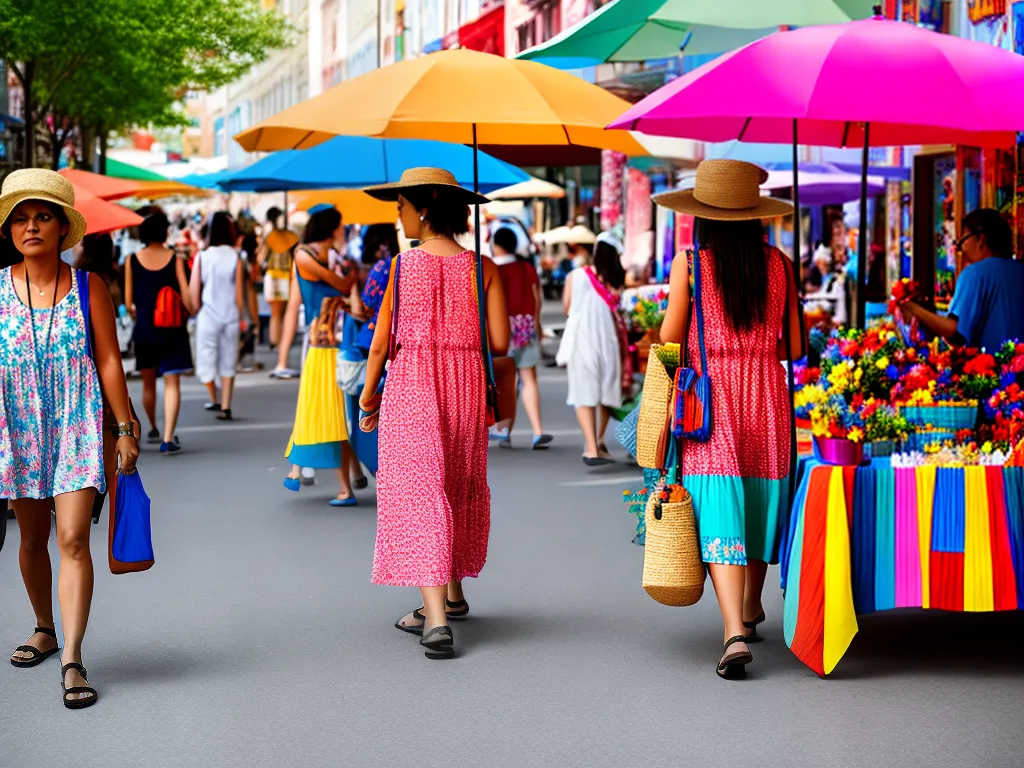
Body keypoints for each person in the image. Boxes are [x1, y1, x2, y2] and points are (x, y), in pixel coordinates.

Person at [655, 159, 804, 681]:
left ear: (703, 216)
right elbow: (798, 345)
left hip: (709, 399)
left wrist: (684, 364)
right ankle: (751, 605)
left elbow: (669, 341)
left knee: (721, 503)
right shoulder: (781, 265)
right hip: (765, 394)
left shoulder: (690, 264)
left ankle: (733, 632)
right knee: (759, 499)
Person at [0, 169, 139, 709]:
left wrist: (124, 428)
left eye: (42, 216)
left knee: (73, 538)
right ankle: (44, 625)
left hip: (79, 423)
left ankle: (72, 658)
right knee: (31, 540)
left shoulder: (88, 287)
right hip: (17, 425)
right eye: (21, 218)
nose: (31, 226)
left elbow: (108, 358)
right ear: (11, 230)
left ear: (62, 227)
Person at [359, 168, 510, 659]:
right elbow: (502, 342)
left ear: (422, 208)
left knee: (420, 490)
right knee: (456, 481)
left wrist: (367, 397)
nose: (399, 217)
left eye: (401, 207)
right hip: (465, 385)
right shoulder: (482, 267)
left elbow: (381, 343)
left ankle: (437, 621)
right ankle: (454, 592)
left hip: (413, 385)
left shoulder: (404, 267)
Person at [282, 204, 360, 506]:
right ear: (331, 227)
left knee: (330, 410)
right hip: (329, 338)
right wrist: (345, 261)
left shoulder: (308, 255)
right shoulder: (310, 255)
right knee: (329, 409)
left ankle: (341, 485)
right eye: (340, 226)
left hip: (327, 341)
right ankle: (341, 477)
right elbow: (344, 284)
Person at [901, 208, 1024, 352]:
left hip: (993, 370)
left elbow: (955, 332)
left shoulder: (976, 272)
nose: (959, 249)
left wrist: (913, 309)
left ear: (981, 239)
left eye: (963, 240)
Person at [124, 212, 195, 453]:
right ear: (165, 232)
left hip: (144, 328)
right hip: (171, 328)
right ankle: (167, 438)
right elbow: (186, 295)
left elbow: (128, 301)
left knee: (147, 383)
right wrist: (192, 308)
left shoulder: (131, 260)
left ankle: (153, 426)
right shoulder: (175, 259)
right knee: (172, 381)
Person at [557, 231, 628, 466]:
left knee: (584, 394)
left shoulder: (576, 275)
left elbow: (567, 308)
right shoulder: (616, 280)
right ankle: (598, 440)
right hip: (608, 341)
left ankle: (590, 448)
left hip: (581, 339)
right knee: (606, 393)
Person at [491, 226, 551, 449]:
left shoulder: (492, 269)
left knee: (507, 382)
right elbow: (537, 298)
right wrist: (537, 325)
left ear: (496, 245)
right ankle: (537, 431)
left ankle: (504, 430)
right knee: (529, 379)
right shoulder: (526, 268)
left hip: (502, 330)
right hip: (526, 326)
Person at [190, 211, 244, 421]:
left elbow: (195, 293)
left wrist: (194, 309)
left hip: (208, 315)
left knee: (206, 359)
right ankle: (226, 405)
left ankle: (214, 397)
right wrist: (242, 317)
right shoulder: (235, 256)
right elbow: (239, 293)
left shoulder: (202, 256)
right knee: (229, 360)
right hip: (230, 314)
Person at [258, 206, 298, 350]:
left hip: (273, 277)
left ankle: (275, 342)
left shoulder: (269, 237)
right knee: (287, 312)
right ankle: (285, 343)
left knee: (275, 313)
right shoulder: (293, 236)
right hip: (289, 277)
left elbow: (260, 258)